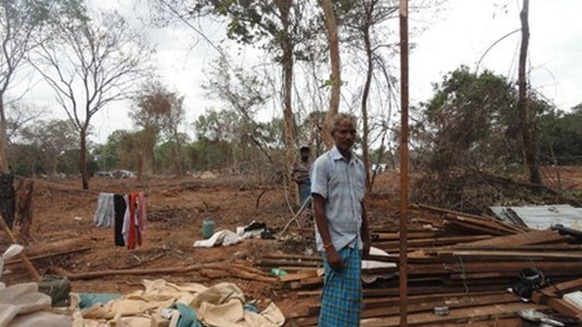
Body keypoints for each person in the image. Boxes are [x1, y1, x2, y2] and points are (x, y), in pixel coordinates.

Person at [310, 113, 370, 326]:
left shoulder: (358, 165)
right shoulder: (323, 164)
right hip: (336, 243)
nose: (348, 136)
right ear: (333, 134)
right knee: (334, 299)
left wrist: (367, 237)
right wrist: (329, 247)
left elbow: (361, 203)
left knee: (352, 299)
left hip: (354, 242)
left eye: (352, 132)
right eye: (343, 132)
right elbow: (317, 206)